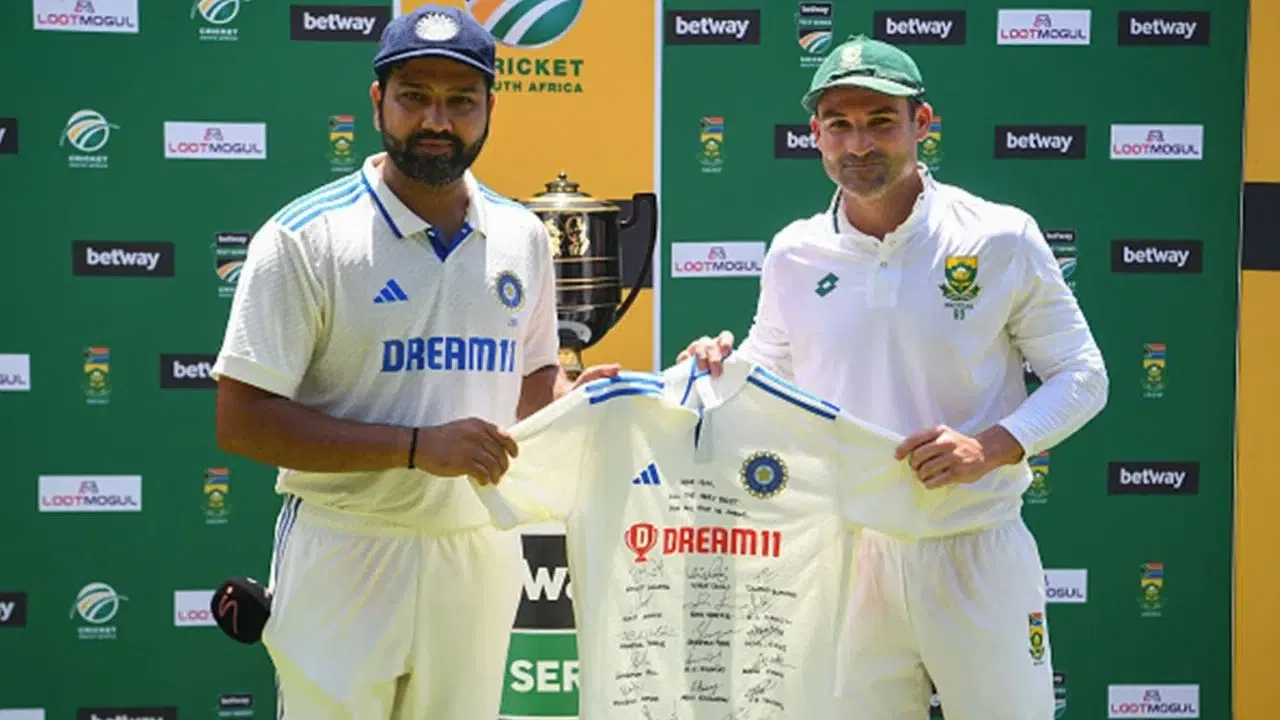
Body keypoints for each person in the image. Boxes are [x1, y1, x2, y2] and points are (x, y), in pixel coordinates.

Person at [677, 34, 1108, 719]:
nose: (859, 144)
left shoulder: (998, 237)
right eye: (840, 125)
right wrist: (715, 369)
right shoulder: (794, 253)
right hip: (845, 557)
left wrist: (988, 448)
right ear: (815, 134)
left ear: (922, 124)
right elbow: (765, 377)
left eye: (881, 121)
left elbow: (1082, 376)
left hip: (975, 545)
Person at [210, 5, 616, 718]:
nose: (437, 120)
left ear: (491, 107)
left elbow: (530, 383)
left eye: (461, 101)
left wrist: (580, 399)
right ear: (377, 103)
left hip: (476, 550)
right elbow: (242, 423)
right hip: (347, 549)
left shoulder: (521, 234)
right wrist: (415, 449)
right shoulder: (305, 237)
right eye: (415, 97)